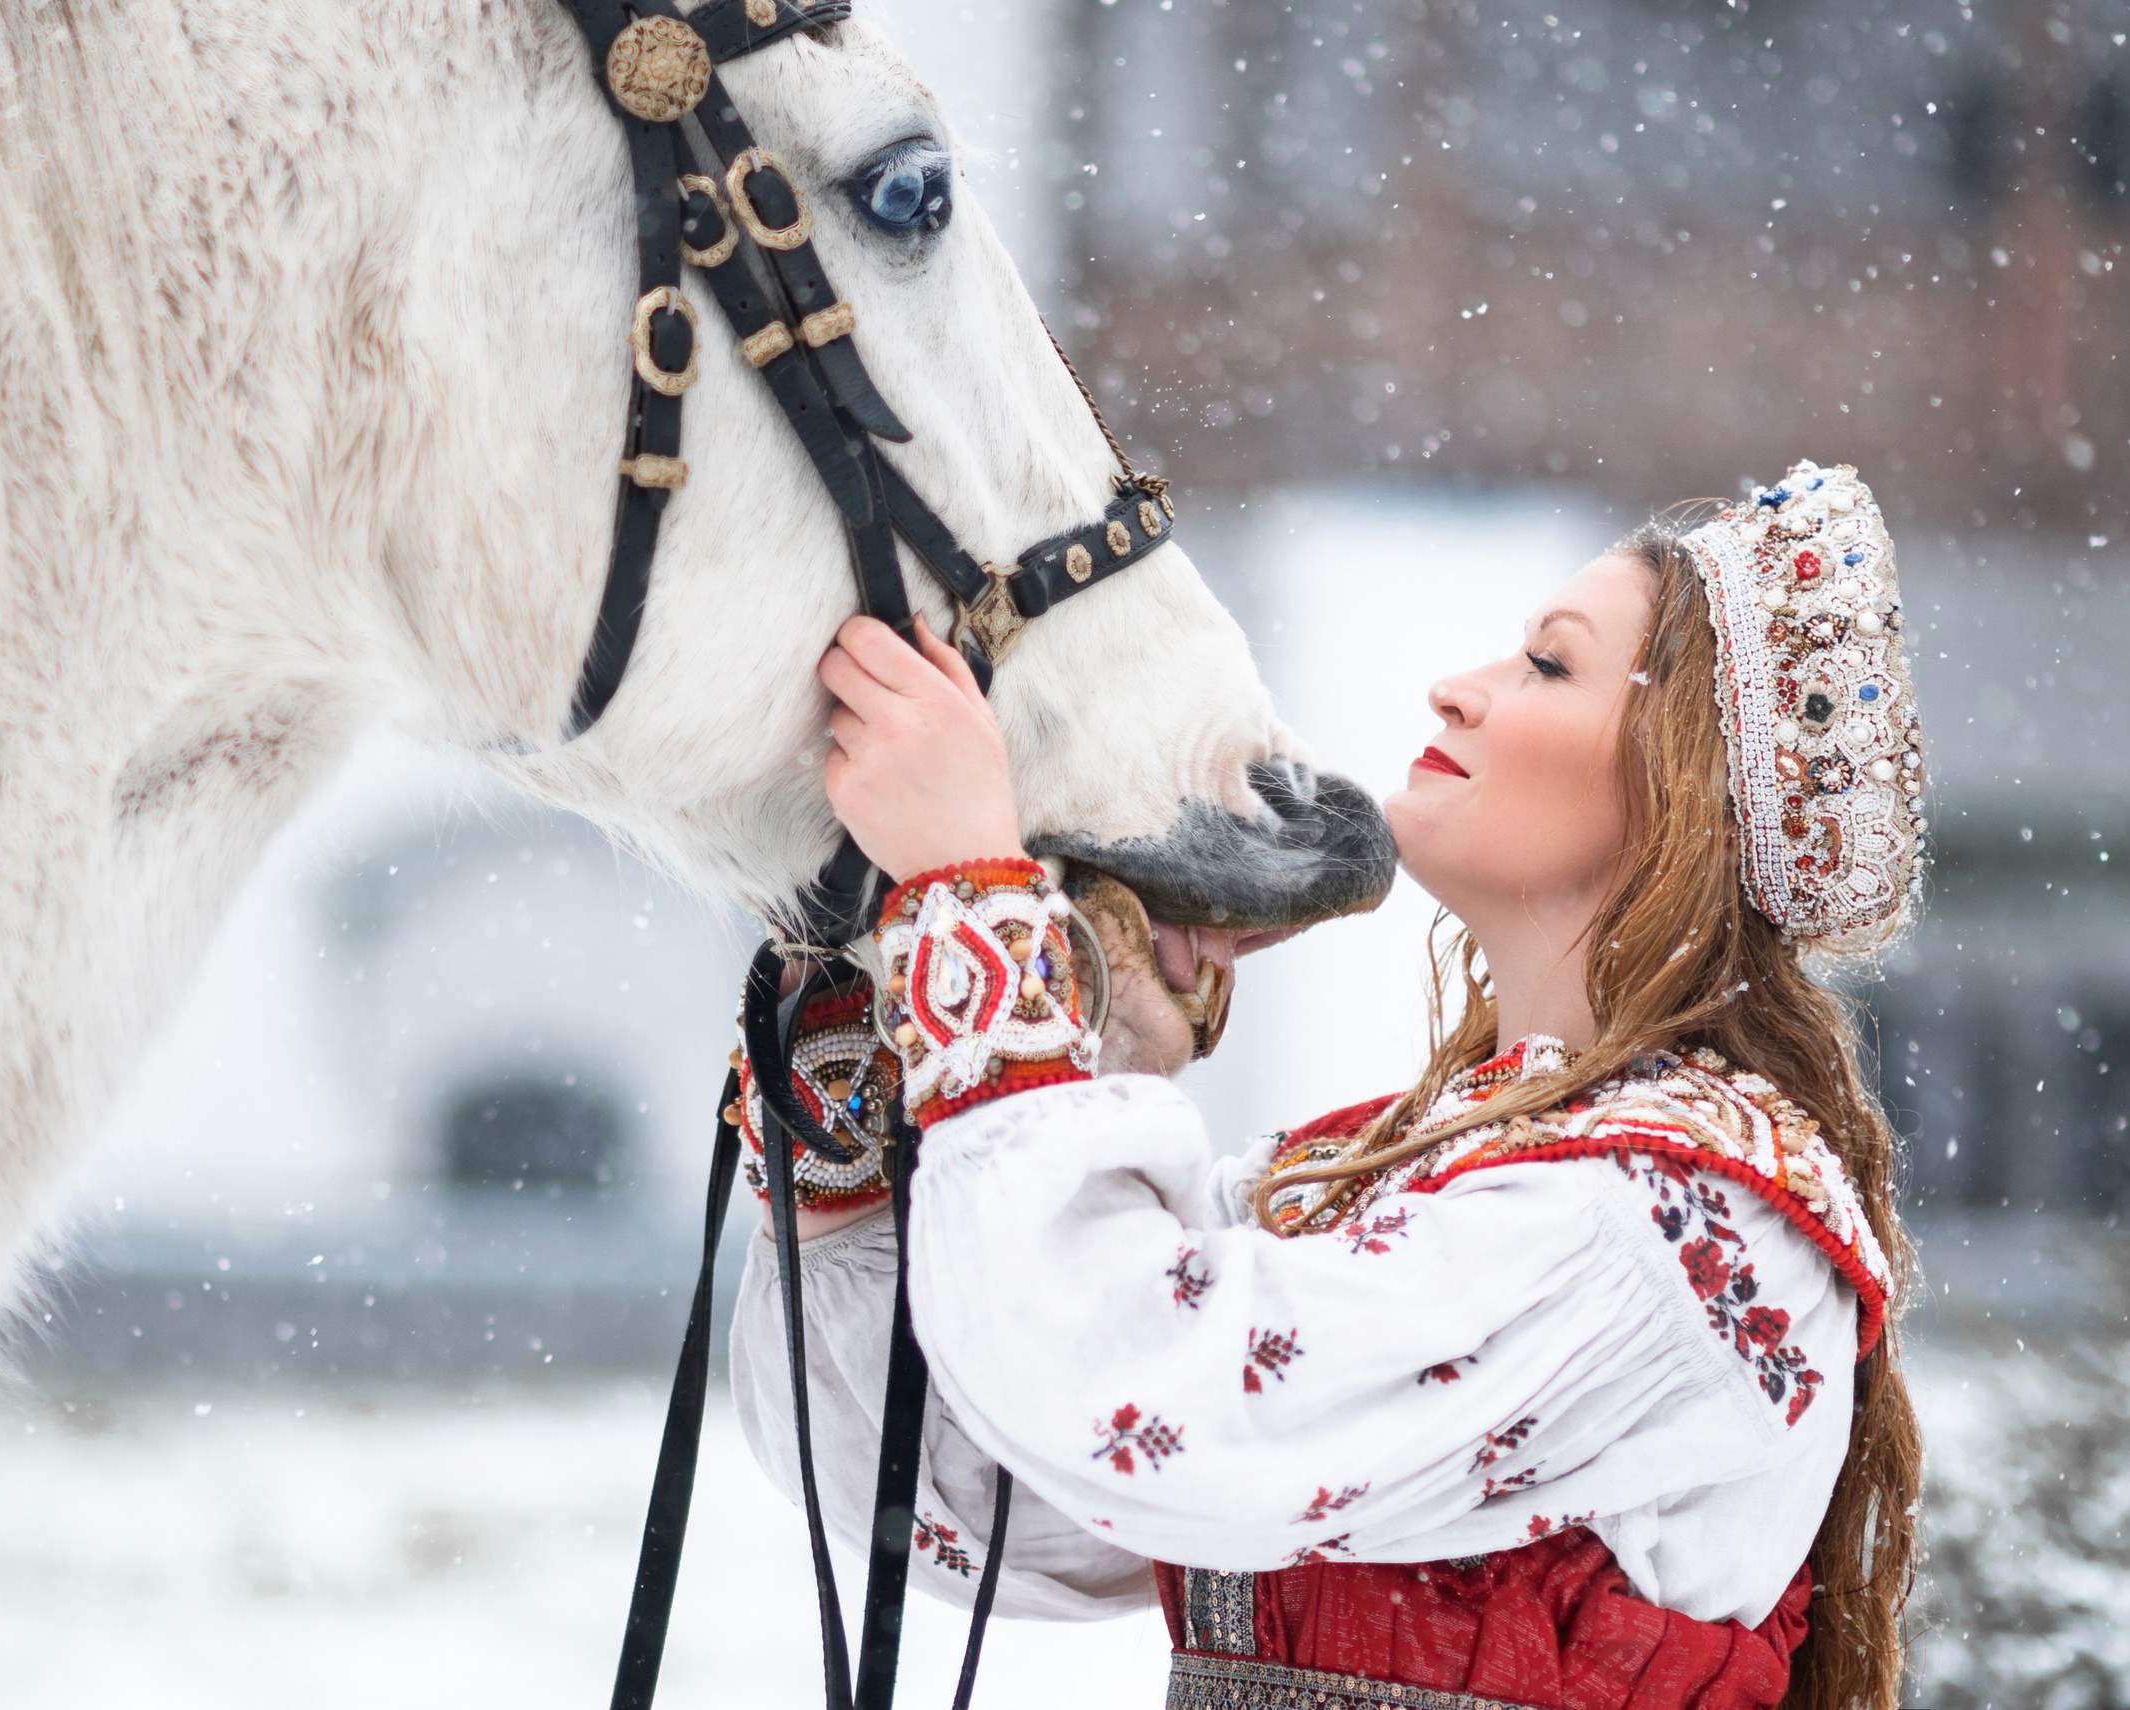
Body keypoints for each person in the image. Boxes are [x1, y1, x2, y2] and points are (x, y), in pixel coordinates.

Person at [729, 461, 1926, 1710]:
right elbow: (961, 1481)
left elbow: (1140, 1401)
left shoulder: (1674, 1221)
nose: (1456, 688)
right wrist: (879, 1023)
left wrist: (975, 899)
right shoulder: (1376, 1177)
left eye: (1547, 665)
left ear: (1688, 792)